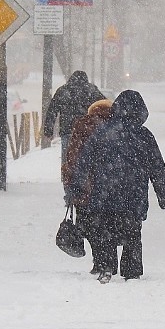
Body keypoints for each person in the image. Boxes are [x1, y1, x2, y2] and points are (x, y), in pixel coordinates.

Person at [71, 90, 165, 284]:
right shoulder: (144, 136)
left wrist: (77, 189)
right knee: (132, 234)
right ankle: (132, 271)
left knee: (105, 231)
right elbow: (157, 167)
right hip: (133, 196)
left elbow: (84, 162)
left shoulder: (102, 133)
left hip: (104, 194)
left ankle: (106, 266)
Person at [62, 98, 114, 275]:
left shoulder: (82, 124)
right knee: (107, 224)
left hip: (84, 183)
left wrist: (70, 182)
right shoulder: (116, 126)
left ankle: (99, 260)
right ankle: (107, 260)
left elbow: (72, 154)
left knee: (88, 224)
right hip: (108, 184)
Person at [43, 70, 105, 201]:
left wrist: (48, 130)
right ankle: (88, 189)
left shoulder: (63, 91)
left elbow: (52, 110)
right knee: (89, 161)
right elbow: (104, 106)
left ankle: (69, 191)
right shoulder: (92, 90)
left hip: (68, 133)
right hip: (88, 133)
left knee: (68, 161)